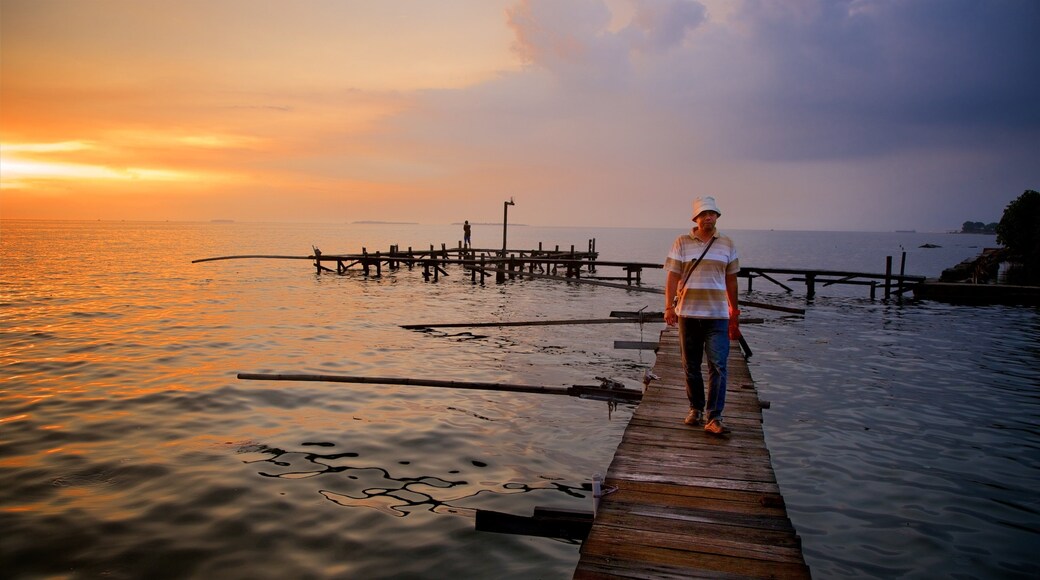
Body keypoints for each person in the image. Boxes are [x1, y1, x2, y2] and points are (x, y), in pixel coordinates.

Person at [664, 196, 741, 436]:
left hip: (717, 315)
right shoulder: (682, 242)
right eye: (704, 214)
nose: (709, 217)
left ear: (717, 217)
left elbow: (731, 279)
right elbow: (672, 276)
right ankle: (695, 408)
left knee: (718, 365)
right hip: (687, 313)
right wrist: (668, 307)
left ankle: (714, 417)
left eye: (713, 214)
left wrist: (734, 311)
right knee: (691, 365)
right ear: (696, 218)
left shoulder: (727, 244)